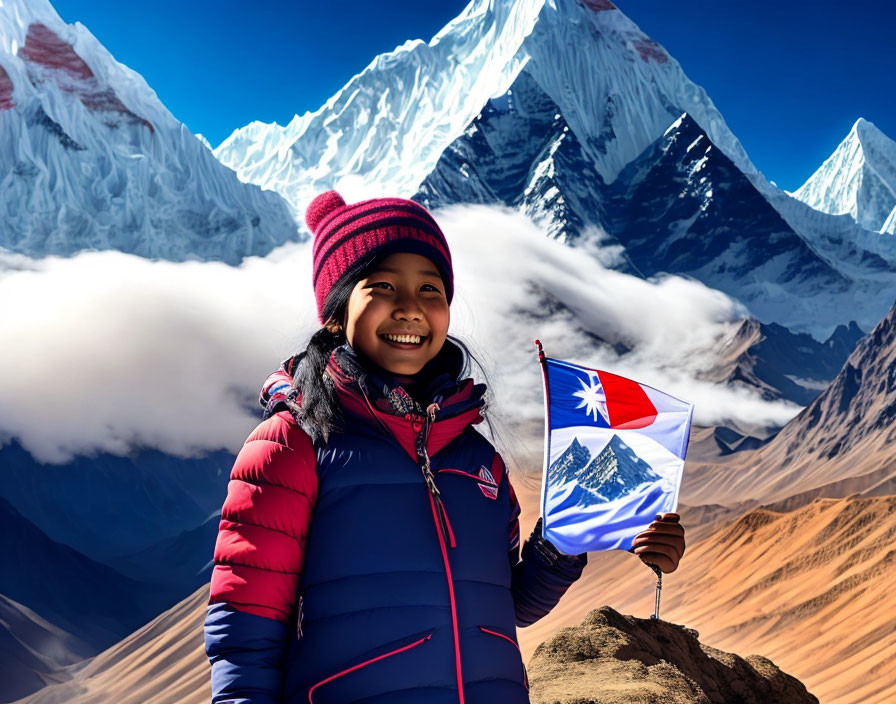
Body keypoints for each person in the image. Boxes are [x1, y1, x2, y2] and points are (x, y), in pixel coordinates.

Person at [203, 190, 686, 703]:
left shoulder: (478, 459)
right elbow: (244, 641)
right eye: (382, 286)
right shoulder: (290, 448)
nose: (411, 309)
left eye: (430, 289)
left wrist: (572, 532)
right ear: (335, 314)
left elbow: (510, 606)